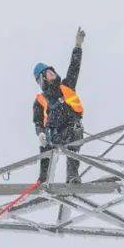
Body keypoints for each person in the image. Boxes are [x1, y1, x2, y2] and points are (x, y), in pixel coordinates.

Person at [33, 27, 86, 183]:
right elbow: (38, 121)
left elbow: (74, 67)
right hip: (54, 133)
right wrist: (40, 133)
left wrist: (78, 46)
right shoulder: (40, 100)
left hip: (71, 129)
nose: (52, 73)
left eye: (52, 71)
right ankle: (43, 179)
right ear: (43, 78)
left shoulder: (66, 87)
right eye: (48, 73)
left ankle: (72, 176)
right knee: (45, 145)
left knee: (75, 133)